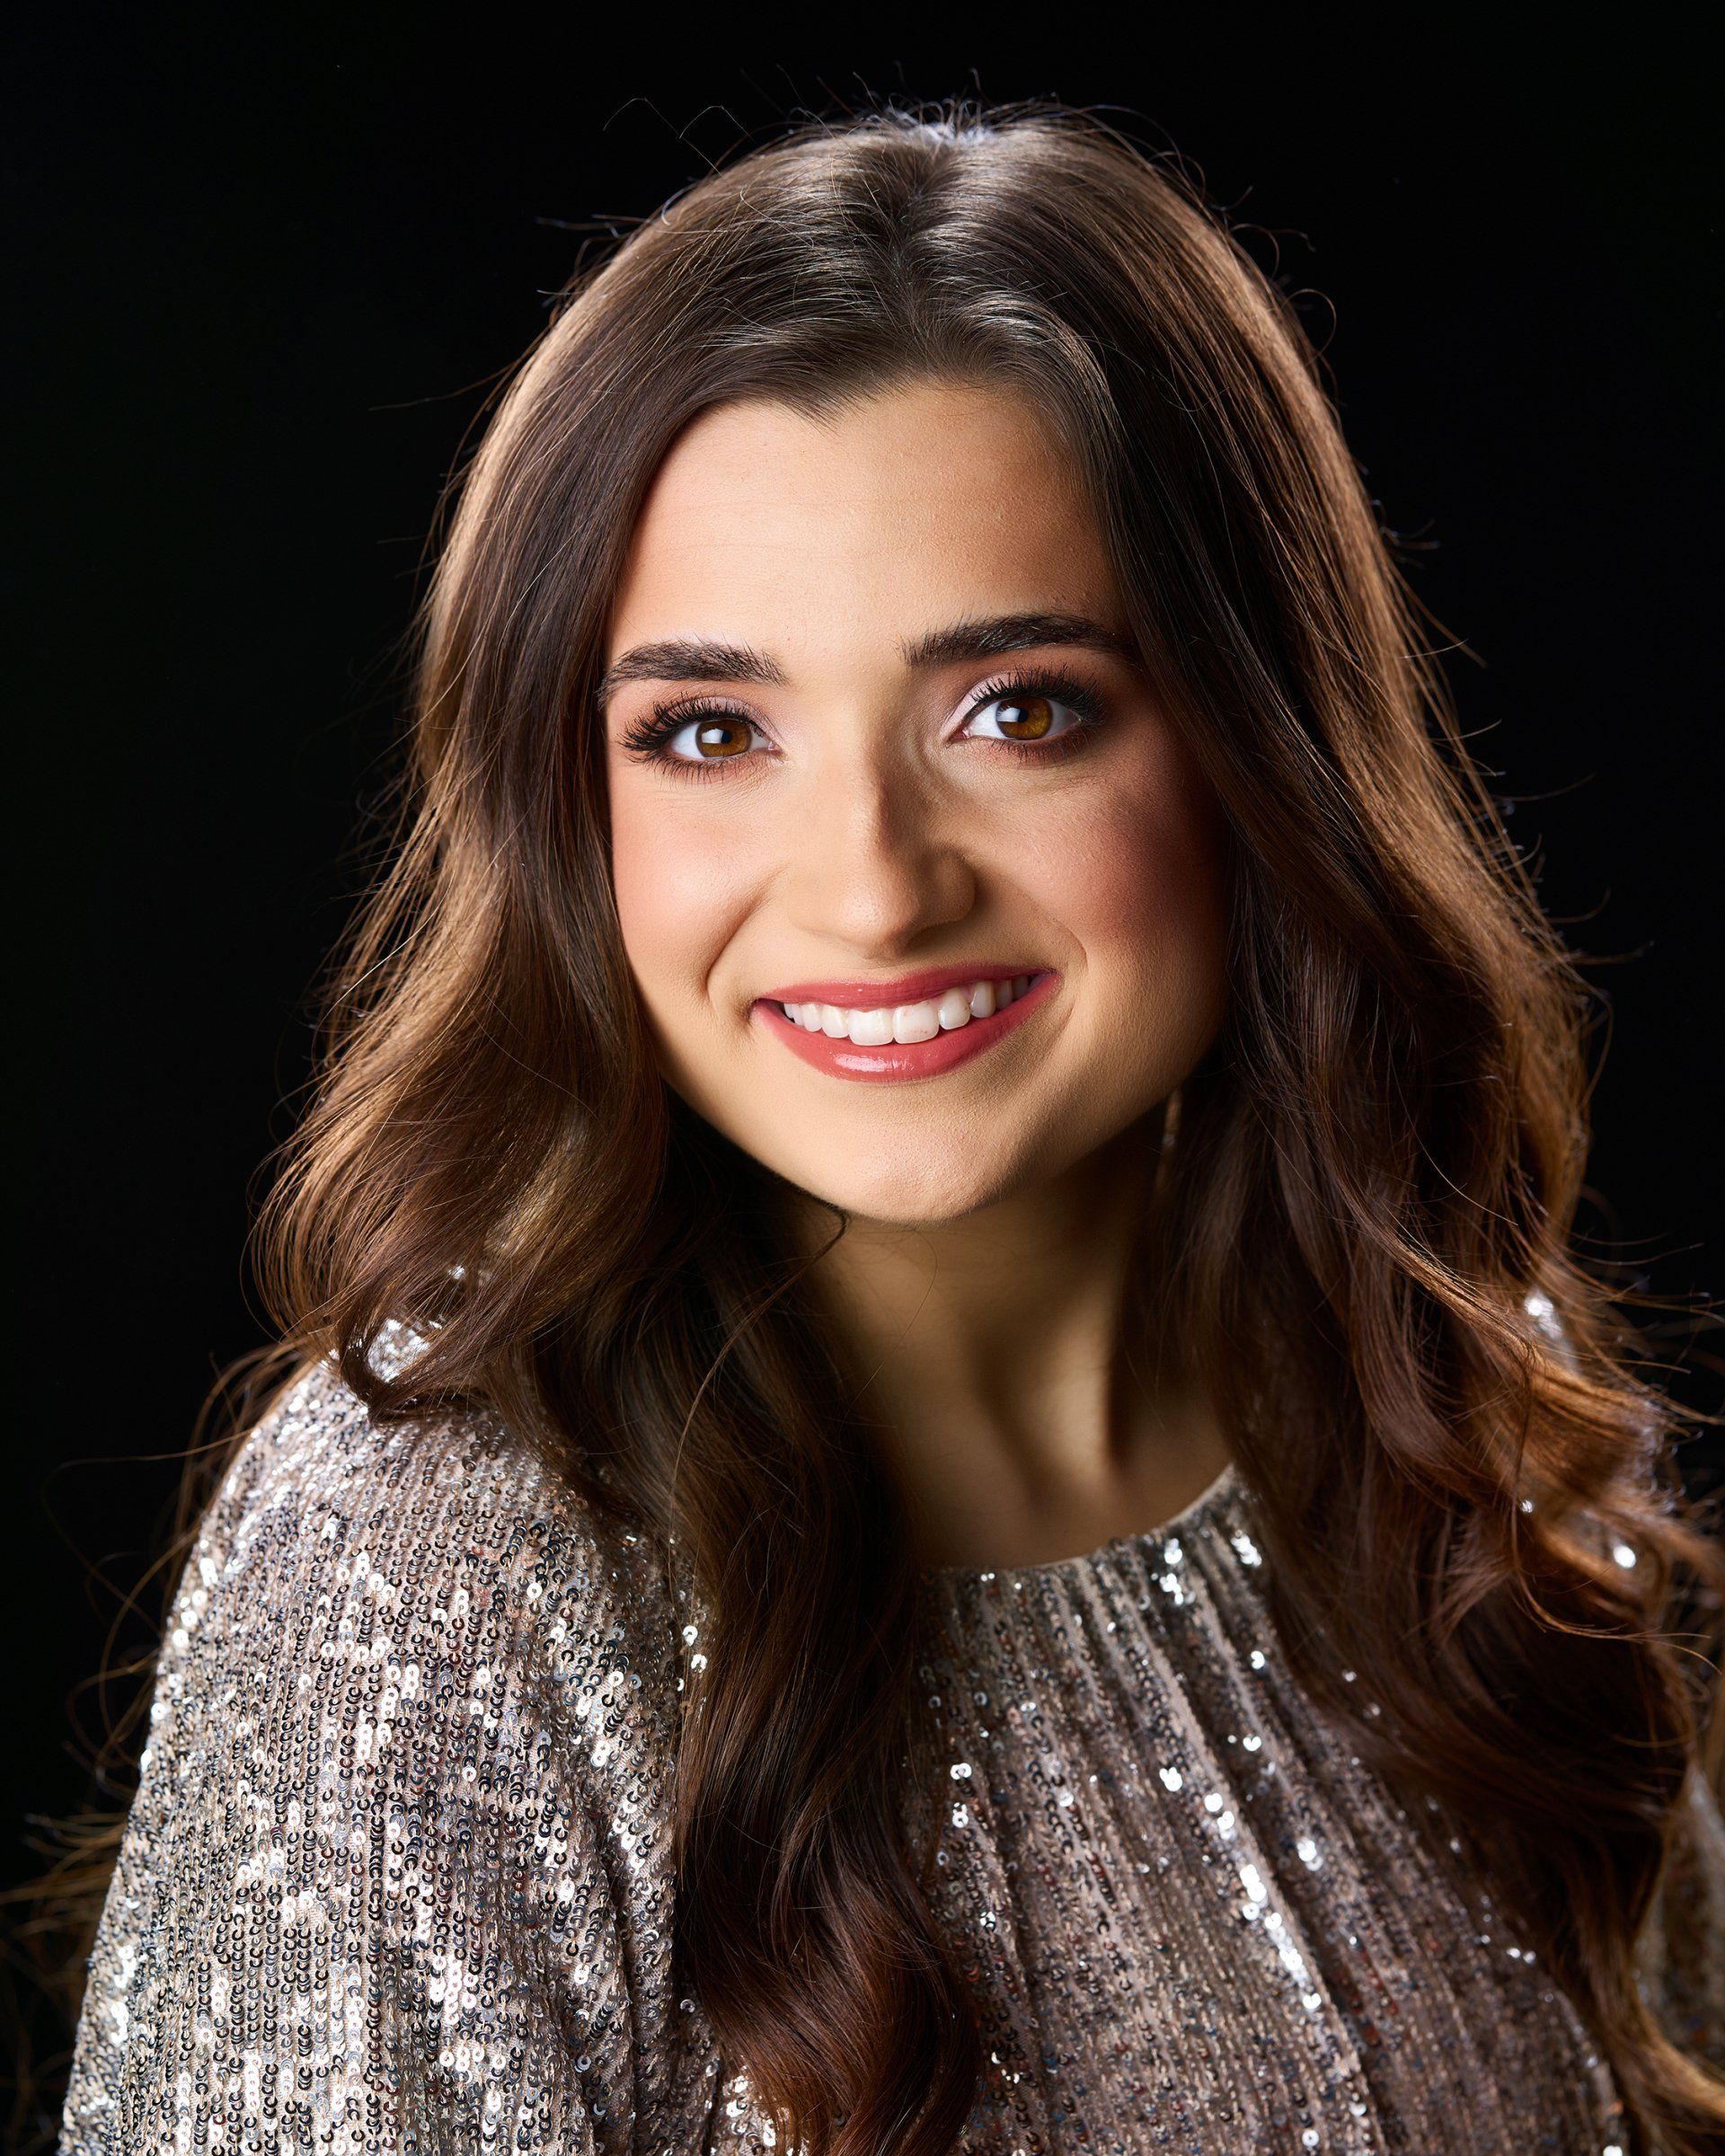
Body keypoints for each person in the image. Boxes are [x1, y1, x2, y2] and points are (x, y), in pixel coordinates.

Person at [59, 98, 1725, 2155]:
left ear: (1258, 742)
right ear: (564, 807)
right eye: (708, 731)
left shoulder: (1454, 1416)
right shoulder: (433, 1566)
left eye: (1017, 709)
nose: (870, 886)